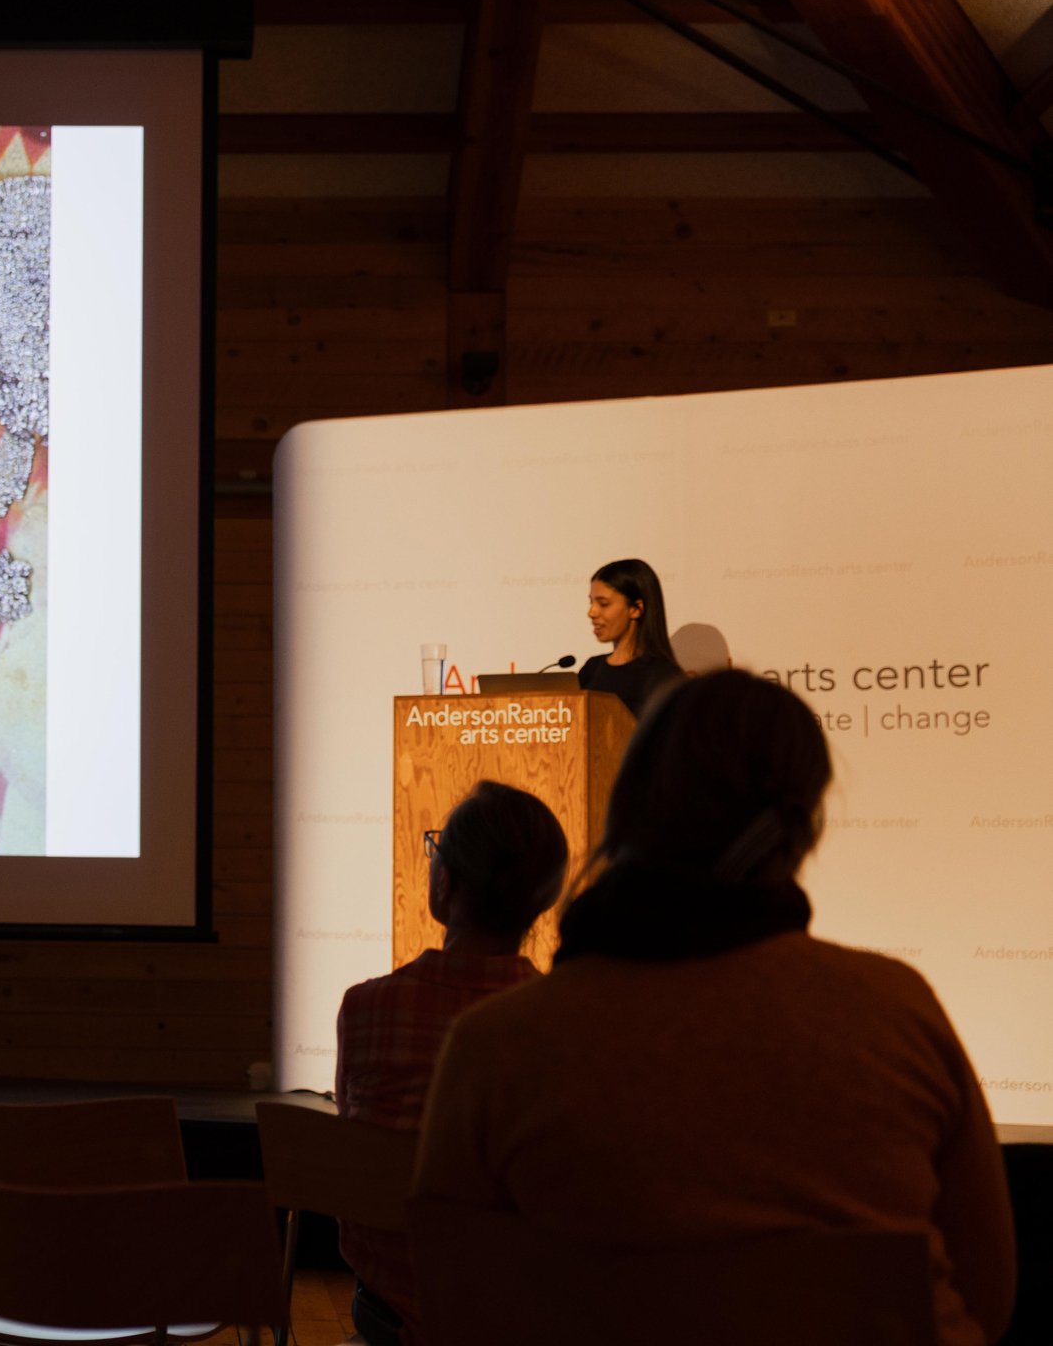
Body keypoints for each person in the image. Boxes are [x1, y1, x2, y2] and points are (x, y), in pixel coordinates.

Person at [415, 671, 1015, 1346]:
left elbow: (451, 1308)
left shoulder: (494, 1048)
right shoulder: (901, 1011)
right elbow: (987, 1296)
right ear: (800, 829)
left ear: (628, 808)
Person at [334, 781, 568, 1346]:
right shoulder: (562, 1025)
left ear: (446, 882)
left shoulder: (366, 1007)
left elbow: (355, 1150)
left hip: (386, 1315)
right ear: (542, 898)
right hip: (514, 1318)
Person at [575, 557, 685, 717]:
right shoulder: (592, 669)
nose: (591, 612)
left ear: (636, 609)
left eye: (603, 604)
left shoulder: (663, 676)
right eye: (591, 602)